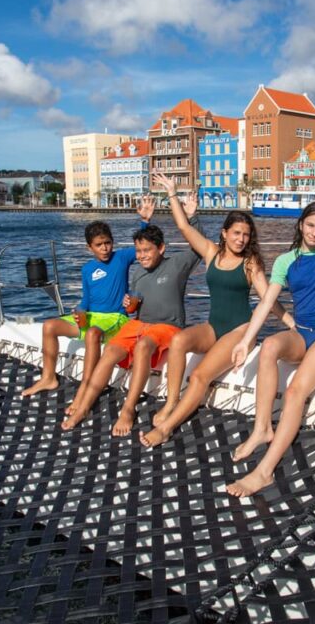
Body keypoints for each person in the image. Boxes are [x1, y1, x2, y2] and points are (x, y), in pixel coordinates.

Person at [139, 174, 291, 448]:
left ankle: (167, 429)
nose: (241, 239)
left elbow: (268, 298)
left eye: (246, 235)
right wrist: (172, 193)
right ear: (224, 233)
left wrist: (290, 320)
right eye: (236, 233)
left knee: (199, 376)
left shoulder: (250, 263)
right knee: (178, 341)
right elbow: (184, 227)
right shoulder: (211, 252)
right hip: (213, 325)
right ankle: (172, 401)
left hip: (239, 328)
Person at [225, 202, 315, 498]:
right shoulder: (286, 260)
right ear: (301, 225)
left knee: (296, 390)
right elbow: (266, 302)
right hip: (302, 330)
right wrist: (246, 341)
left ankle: (264, 471)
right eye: (310, 225)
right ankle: (262, 429)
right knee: (269, 345)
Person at [61, 193, 203, 436]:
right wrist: (130, 305)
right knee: (110, 352)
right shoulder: (137, 273)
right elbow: (133, 307)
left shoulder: (177, 264)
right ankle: (83, 407)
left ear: (161, 248)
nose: (141, 256)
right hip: (138, 324)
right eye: (138, 251)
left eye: (147, 250)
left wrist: (193, 217)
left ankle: (128, 408)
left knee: (144, 346)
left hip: (166, 327)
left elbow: (198, 247)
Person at [22, 204, 153, 402]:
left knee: (92, 333)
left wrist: (145, 221)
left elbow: (142, 246)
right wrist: (79, 310)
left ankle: (86, 386)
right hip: (91, 316)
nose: (105, 248)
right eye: (99, 245)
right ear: (89, 247)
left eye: (108, 243)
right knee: (49, 326)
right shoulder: (87, 269)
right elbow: (86, 300)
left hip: (115, 318)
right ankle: (48, 377)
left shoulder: (121, 258)